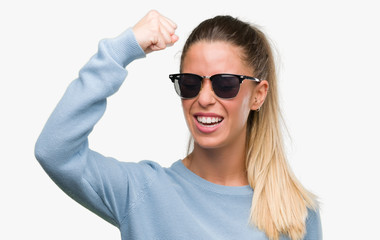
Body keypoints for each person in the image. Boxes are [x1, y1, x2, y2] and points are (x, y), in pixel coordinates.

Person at [35, 10, 322, 240]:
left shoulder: (296, 214)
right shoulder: (142, 192)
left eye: (225, 84)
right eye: (190, 83)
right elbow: (55, 151)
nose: (204, 98)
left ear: (258, 95)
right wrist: (121, 50)